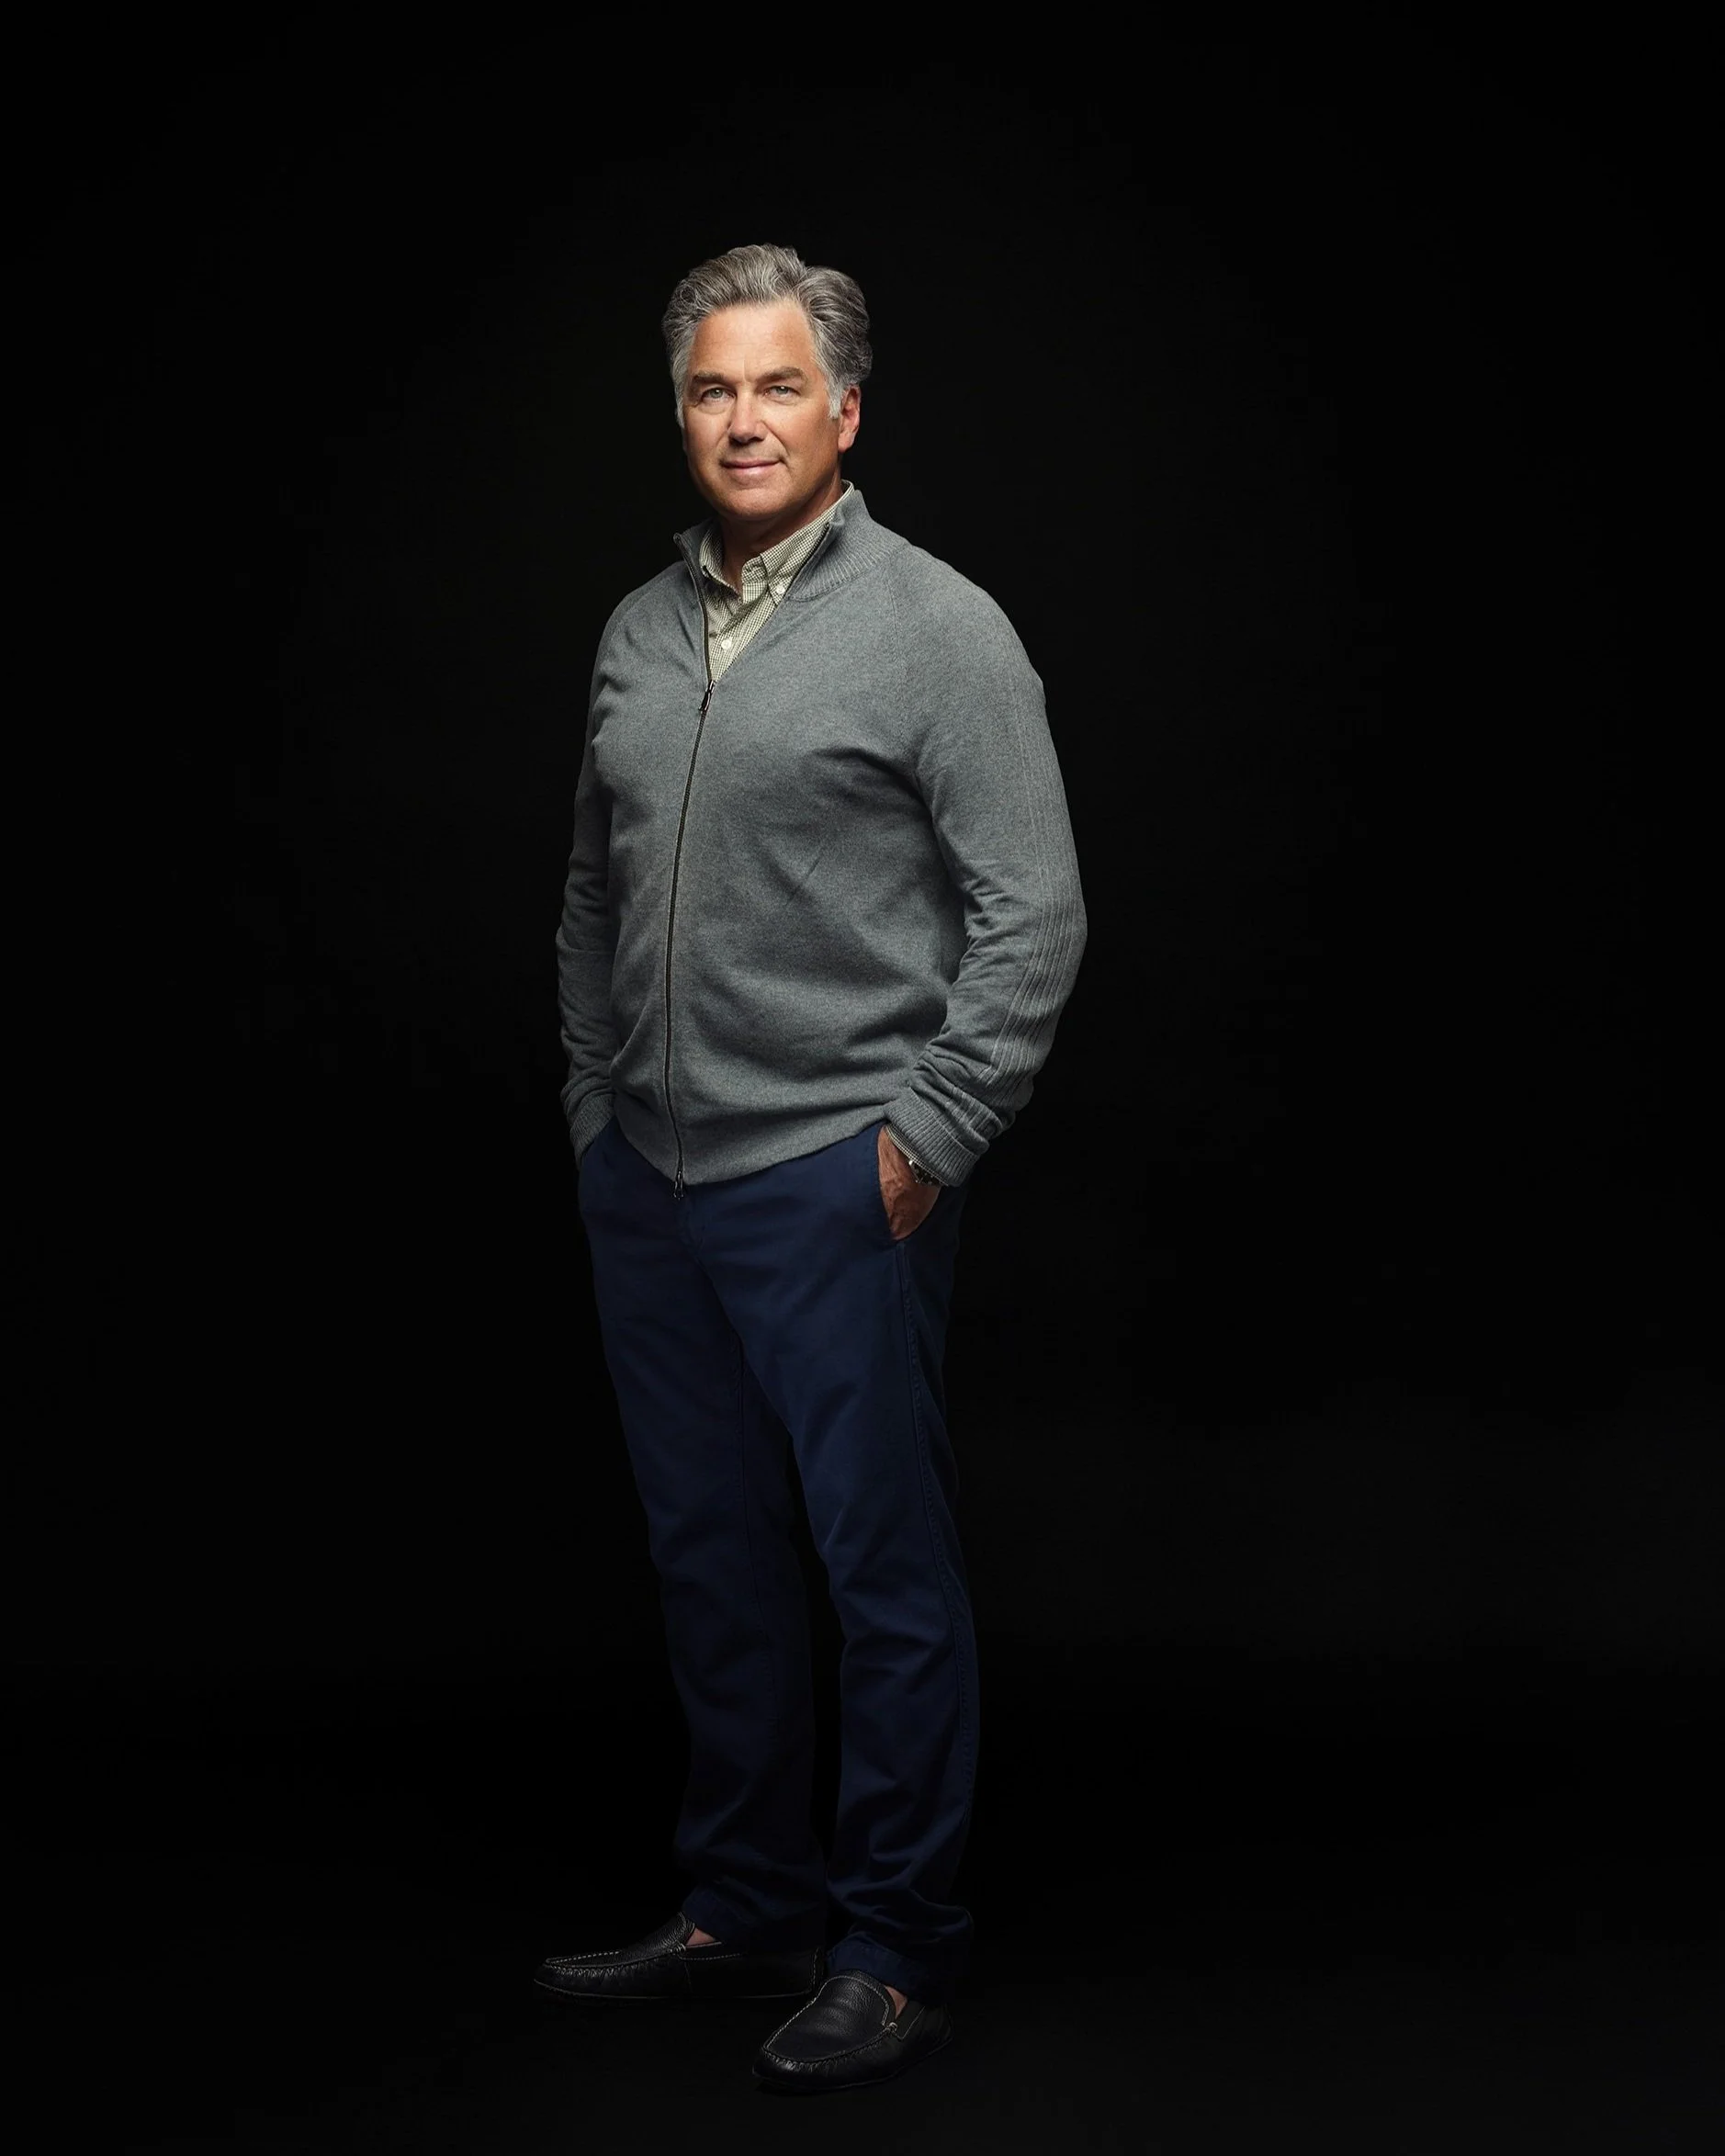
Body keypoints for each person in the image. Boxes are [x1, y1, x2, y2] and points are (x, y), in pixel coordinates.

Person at [539, 242, 1086, 2093]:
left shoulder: (940, 629)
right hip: (655, 1182)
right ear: (682, 413)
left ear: (844, 412)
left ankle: (897, 1945)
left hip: (833, 1180)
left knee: (879, 1572)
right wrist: (596, 1106)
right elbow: (593, 892)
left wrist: (923, 1142)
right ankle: (746, 1897)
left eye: (779, 387)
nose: (743, 419)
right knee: (713, 1561)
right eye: (711, 388)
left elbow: (1036, 918)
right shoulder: (636, 627)